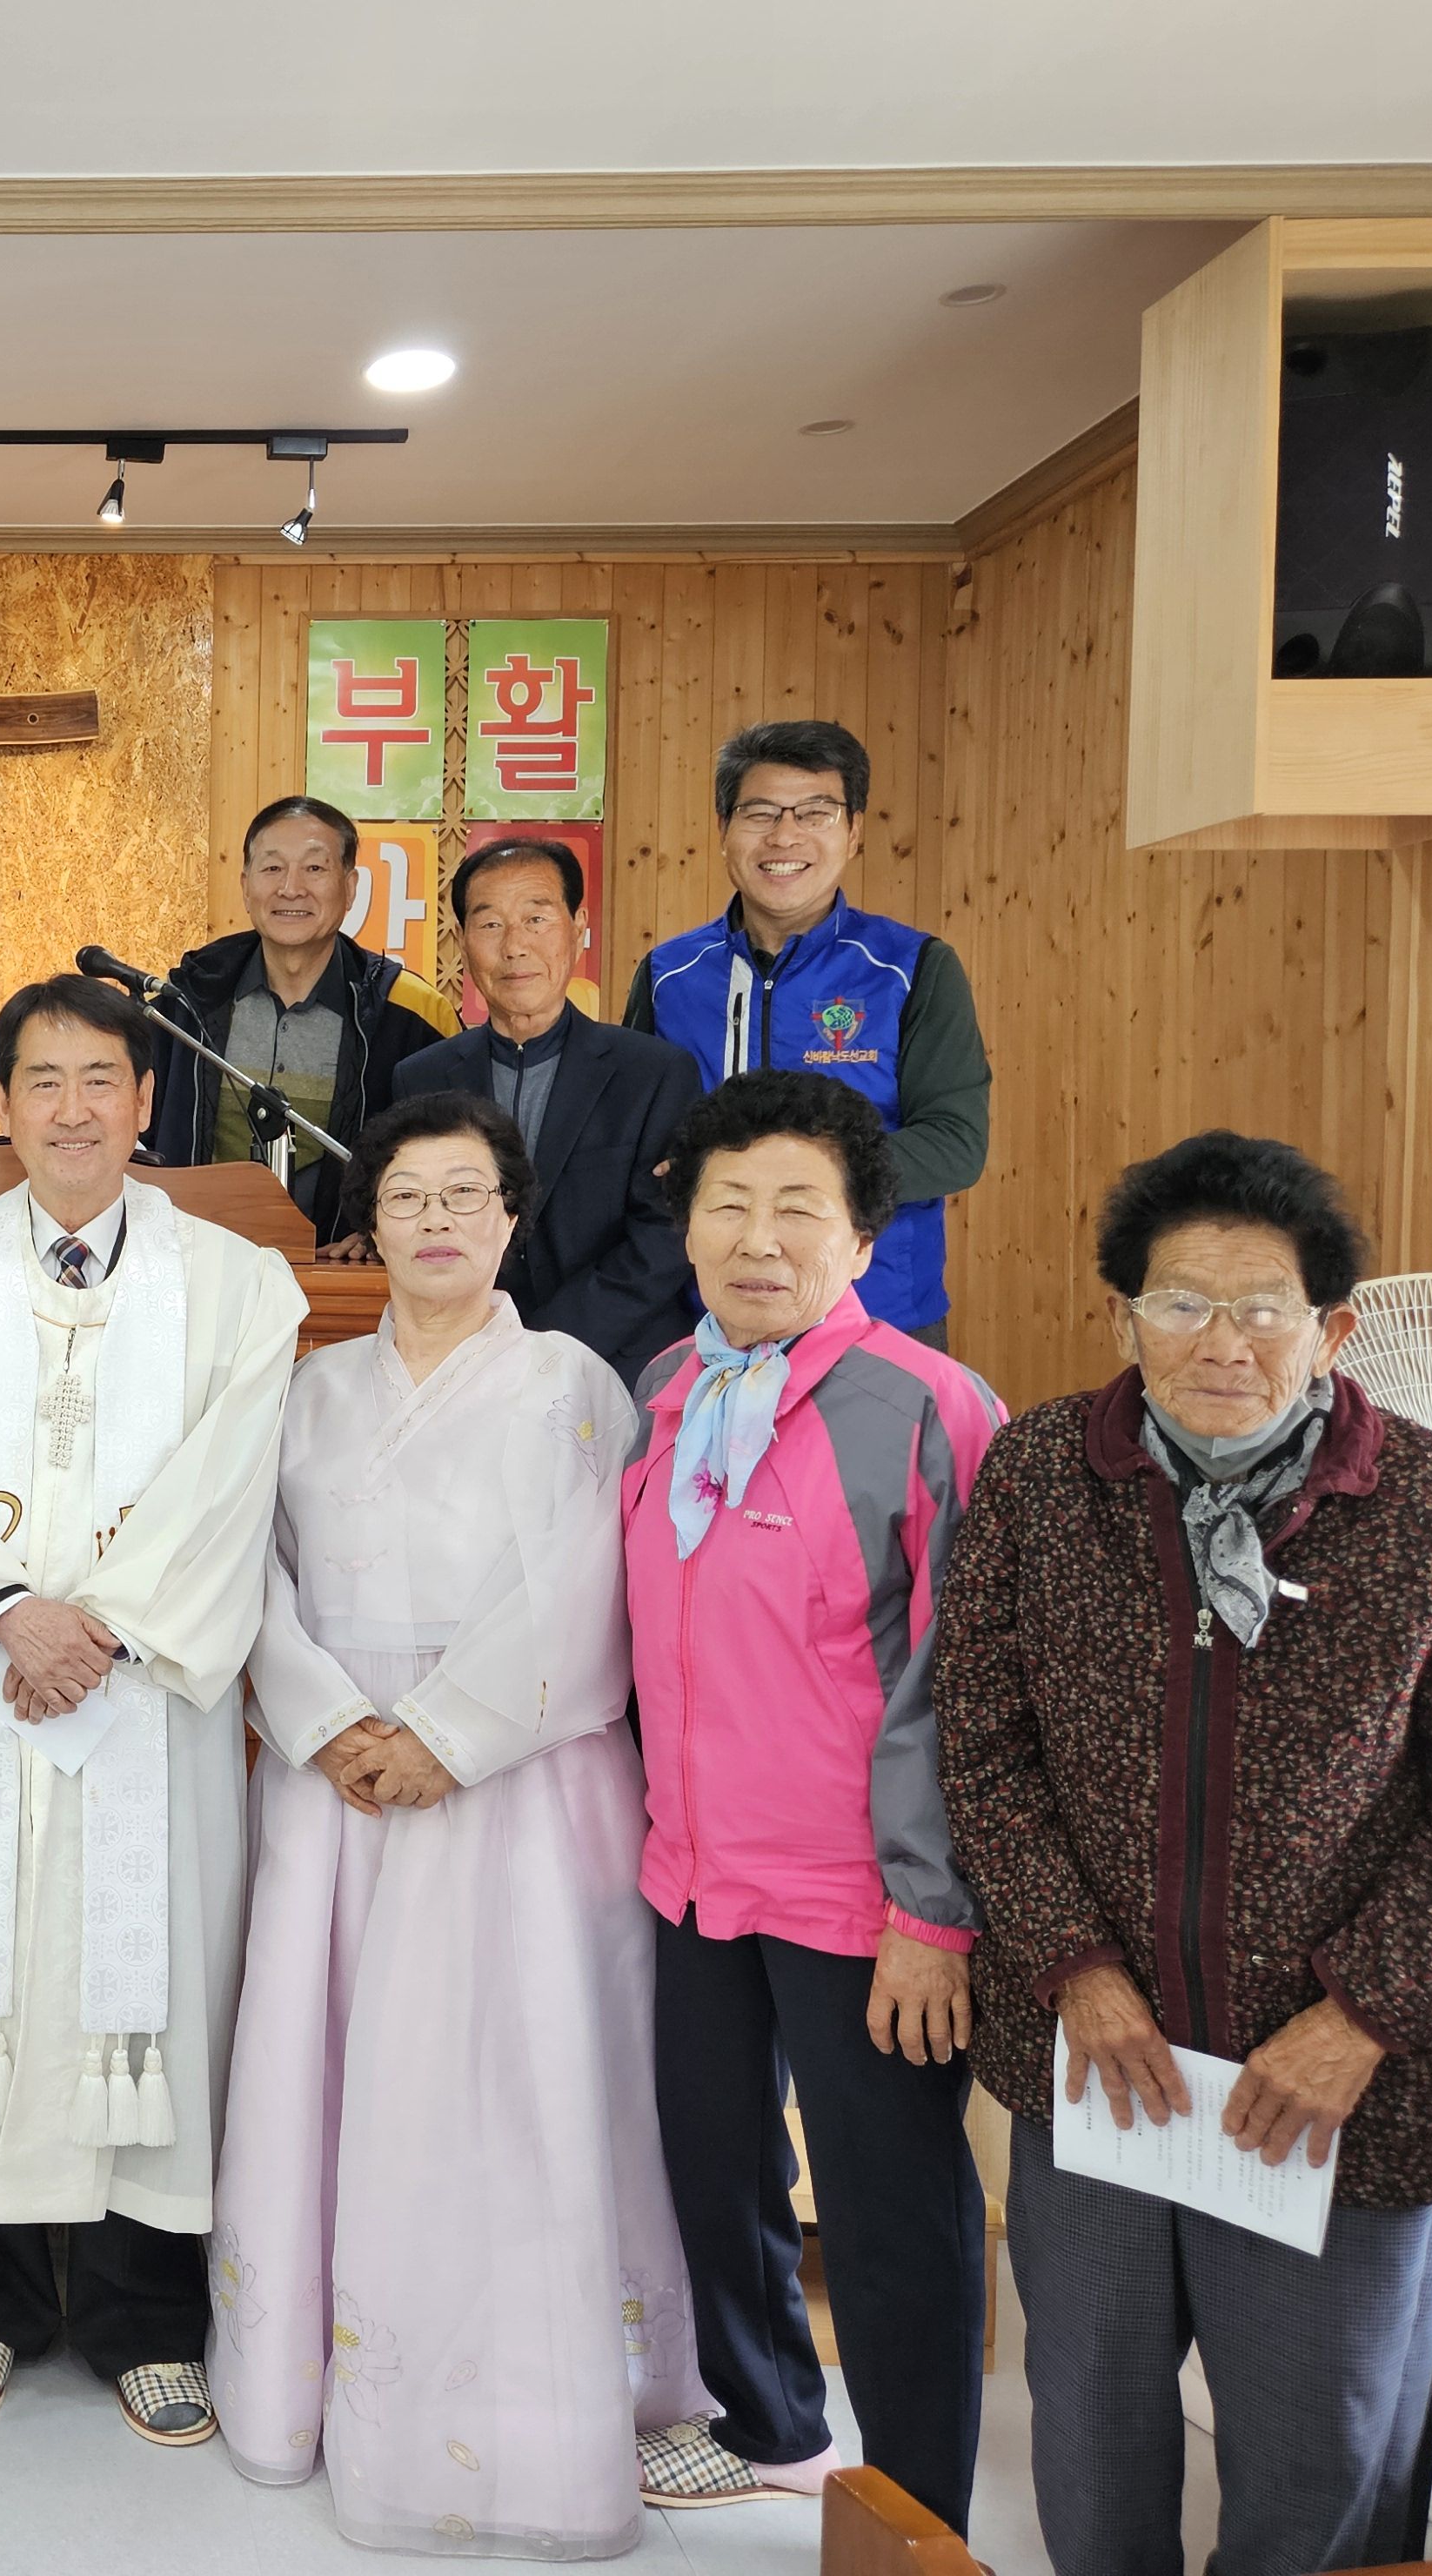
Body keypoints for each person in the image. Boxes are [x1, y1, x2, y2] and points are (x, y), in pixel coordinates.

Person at [934, 1132, 1432, 2576]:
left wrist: (1359, 2020)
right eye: (1181, 1304)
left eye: (1264, 1307)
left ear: (1332, 1329)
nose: (1221, 1341)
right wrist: (1079, 1973)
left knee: (1321, 2455)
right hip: (1105, 2071)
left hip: (1341, 2091)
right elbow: (981, 1748)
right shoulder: (1041, 1475)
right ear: (1123, 1320)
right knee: (1090, 2428)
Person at [211, 1090, 710, 2553]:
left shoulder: (575, 1385)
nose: (435, 1221)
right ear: (369, 1223)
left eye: (464, 1195)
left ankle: (549, 2406)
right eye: (407, 1197)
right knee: (336, 2065)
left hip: (517, 1779)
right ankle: (317, 2384)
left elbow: (592, 1579)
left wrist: (450, 1733)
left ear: (511, 1217)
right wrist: (323, 1717)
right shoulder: (310, 1389)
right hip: (336, 1780)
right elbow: (250, 1569)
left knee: (520, 2077)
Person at [0, 975, 304, 2447]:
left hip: (144, 1694)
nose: (73, 1109)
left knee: (142, 1980)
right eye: (43, 1080)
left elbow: (231, 1482)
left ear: (146, 1100)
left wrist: (98, 1631)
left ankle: (144, 2315)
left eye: (101, 1079)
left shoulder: (238, 1285)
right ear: (5, 1104)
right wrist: (4, 1615)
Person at [619, 1070, 1004, 2531]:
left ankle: (915, 2516)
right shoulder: (668, 1388)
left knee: (892, 2210)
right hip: (692, 1875)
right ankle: (769, 2422)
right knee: (717, 2169)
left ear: (862, 1240)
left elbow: (969, 1686)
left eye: (798, 1209)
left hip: (867, 1898)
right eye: (728, 1206)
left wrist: (934, 1915)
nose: (757, 1238)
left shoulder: (928, 1408)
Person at [623, 721, 988, 1346]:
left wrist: (800, 1181)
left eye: (816, 813)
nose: (785, 836)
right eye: (760, 813)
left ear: (854, 831)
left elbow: (955, 1144)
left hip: (880, 1316)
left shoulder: (912, 968)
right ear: (724, 829)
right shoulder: (669, 975)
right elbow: (635, 1136)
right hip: (707, 1315)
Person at [388, 836, 699, 1382]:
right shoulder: (421, 1077)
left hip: (619, 1364)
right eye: (490, 924)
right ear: (462, 940)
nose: (515, 946)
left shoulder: (653, 1072)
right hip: (463, 1364)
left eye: (536, 919)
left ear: (578, 928)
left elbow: (666, 1232)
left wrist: (538, 1344)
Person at [148, 796, 454, 1249]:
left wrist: (380, 1233)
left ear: (350, 887)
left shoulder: (408, 1014)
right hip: (194, 1264)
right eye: (272, 868)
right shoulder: (182, 1003)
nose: (291, 889)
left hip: (340, 1272)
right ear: (246, 885)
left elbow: (453, 1157)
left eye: (314, 868)